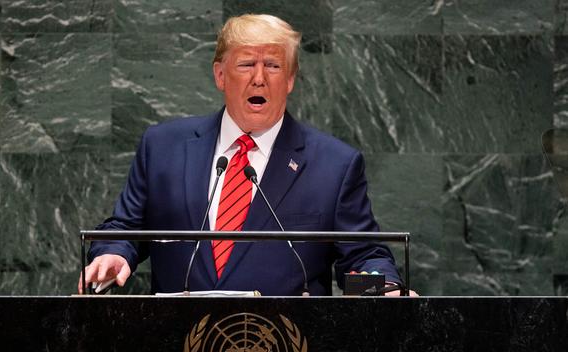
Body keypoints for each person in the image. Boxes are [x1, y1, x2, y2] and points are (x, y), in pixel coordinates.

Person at [79, 14, 409, 296]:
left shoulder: (335, 164)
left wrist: (383, 290)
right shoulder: (163, 147)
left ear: (291, 79)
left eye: (274, 66)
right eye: (247, 64)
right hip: (177, 341)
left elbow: (363, 256)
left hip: (285, 345)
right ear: (220, 75)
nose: (259, 78)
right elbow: (125, 229)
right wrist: (114, 255)